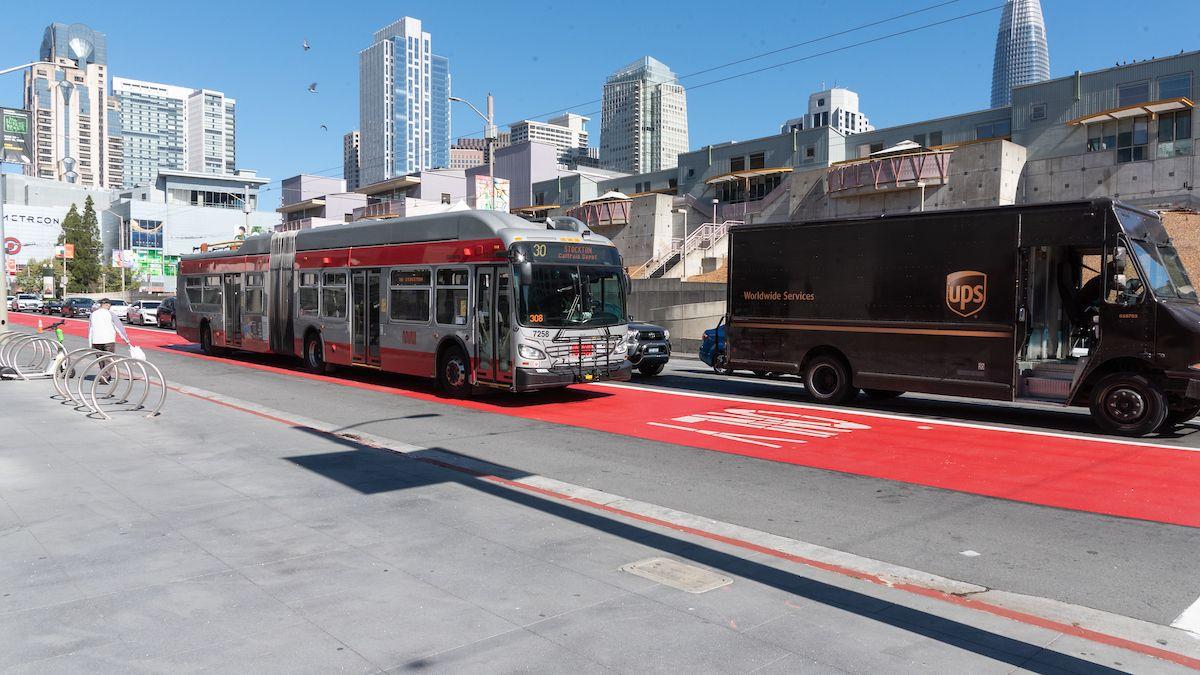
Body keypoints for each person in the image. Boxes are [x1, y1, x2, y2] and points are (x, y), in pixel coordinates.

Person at [89, 298, 134, 384]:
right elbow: (119, 327)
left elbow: (90, 329)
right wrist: (126, 339)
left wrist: (90, 342)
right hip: (108, 339)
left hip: (96, 340)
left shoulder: (93, 314)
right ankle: (105, 376)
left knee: (100, 359)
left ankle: (103, 374)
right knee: (109, 359)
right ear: (107, 305)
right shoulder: (110, 314)